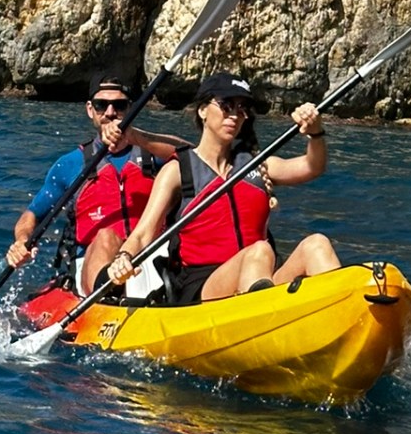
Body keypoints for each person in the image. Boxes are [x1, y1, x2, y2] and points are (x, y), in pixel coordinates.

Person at [107, 71, 340, 304]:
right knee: (259, 252)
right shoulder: (178, 171)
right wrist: (124, 257)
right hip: (202, 286)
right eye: (226, 105)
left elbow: (312, 166)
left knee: (317, 245)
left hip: (261, 277)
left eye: (241, 108)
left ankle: (346, 312)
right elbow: (143, 233)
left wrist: (315, 133)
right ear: (202, 110)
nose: (234, 115)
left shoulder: (257, 165)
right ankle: (263, 322)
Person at [6, 72, 182, 294]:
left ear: (131, 108)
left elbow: (192, 154)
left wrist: (136, 136)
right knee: (106, 236)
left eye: (119, 105)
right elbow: (33, 214)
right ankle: (107, 298)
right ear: (90, 110)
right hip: (93, 265)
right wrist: (22, 241)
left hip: (151, 256)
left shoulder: (153, 154)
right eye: (101, 105)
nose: (110, 113)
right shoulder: (70, 165)